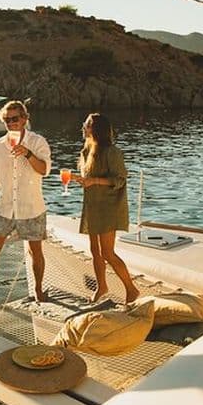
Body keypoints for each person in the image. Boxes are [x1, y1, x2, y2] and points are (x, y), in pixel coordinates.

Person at [0, 101, 52, 302]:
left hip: (31, 207)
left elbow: (45, 170)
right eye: (6, 120)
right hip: (4, 206)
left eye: (14, 119)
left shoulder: (38, 142)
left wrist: (27, 153)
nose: (11, 124)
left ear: (24, 119)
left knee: (35, 250)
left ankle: (38, 290)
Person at [72, 113, 140, 304]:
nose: (83, 127)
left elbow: (120, 180)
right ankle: (102, 286)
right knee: (95, 250)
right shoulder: (86, 152)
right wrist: (80, 180)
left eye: (86, 124)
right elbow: (90, 180)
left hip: (109, 207)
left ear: (95, 129)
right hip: (93, 206)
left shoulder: (112, 152)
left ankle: (131, 289)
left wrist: (93, 180)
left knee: (107, 253)